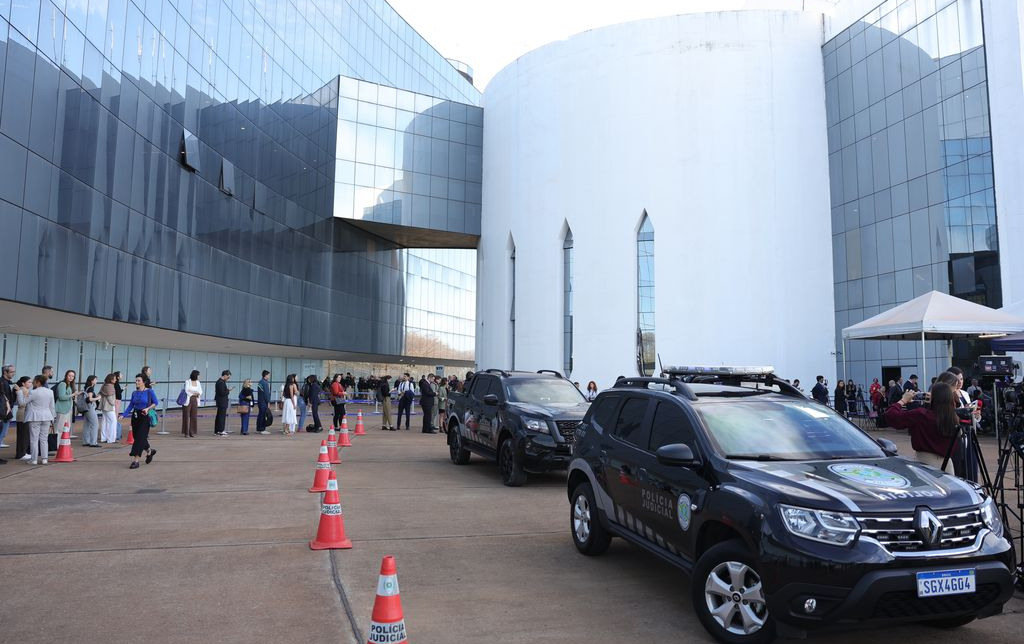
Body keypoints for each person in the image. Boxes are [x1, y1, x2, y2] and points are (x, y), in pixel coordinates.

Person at [885, 382, 966, 473]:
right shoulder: (954, 418)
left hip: (925, 462)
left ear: (934, 398)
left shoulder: (921, 415)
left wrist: (903, 400)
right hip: (947, 464)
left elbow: (891, 416)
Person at [121, 375, 158, 469]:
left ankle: (135, 460)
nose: (136, 382)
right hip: (135, 416)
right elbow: (131, 405)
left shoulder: (149, 391)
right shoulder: (134, 393)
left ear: (144, 382)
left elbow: (155, 403)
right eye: (136, 380)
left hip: (145, 416)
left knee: (139, 439)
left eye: (138, 380)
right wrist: (123, 414)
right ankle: (149, 451)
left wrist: (147, 408)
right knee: (138, 437)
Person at [20, 375, 55, 465]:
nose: (33, 382)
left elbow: (22, 402)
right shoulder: (50, 392)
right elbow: (52, 406)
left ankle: (34, 459)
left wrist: (19, 392)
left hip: (35, 417)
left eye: (34, 381)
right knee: (44, 439)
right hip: (47, 416)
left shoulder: (33, 392)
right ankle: (44, 459)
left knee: (34, 439)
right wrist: (53, 418)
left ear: (38, 382)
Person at [54, 370, 77, 437]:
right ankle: (57, 445)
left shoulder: (70, 385)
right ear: (66, 376)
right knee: (59, 428)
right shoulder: (63, 384)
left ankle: (63, 445)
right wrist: (73, 395)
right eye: (69, 375)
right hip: (62, 410)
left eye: (72, 376)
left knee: (66, 428)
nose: (71, 377)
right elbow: (61, 397)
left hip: (67, 409)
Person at [80, 375, 101, 447]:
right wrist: (98, 397)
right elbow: (89, 399)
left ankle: (86, 441)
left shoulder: (86, 388)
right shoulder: (91, 388)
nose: (96, 381)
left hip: (85, 408)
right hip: (90, 408)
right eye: (95, 379)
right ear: (92, 381)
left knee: (87, 424)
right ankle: (93, 442)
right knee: (95, 424)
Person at [13, 376, 31, 460]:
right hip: (23, 413)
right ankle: (22, 453)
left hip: (21, 414)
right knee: (23, 434)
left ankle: (22, 452)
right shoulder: (23, 390)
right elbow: (22, 403)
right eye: (29, 382)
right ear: (23, 383)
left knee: (22, 434)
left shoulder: (22, 389)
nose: (30, 384)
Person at [181, 370, 202, 438]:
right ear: (195, 375)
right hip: (188, 400)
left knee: (194, 416)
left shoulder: (198, 382)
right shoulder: (187, 381)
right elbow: (187, 390)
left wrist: (196, 393)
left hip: (195, 399)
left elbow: (200, 391)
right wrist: (194, 393)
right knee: (186, 416)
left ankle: (192, 432)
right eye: (198, 375)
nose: (199, 376)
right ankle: (186, 433)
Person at [99, 374, 118, 444]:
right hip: (109, 406)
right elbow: (110, 398)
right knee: (113, 422)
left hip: (104, 406)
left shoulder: (104, 385)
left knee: (105, 422)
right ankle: (111, 439)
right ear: (111, 379)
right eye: (115, 378)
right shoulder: (110, 386)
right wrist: (114, 403)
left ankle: (104, 438)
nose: (116, 380)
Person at [0, 364, 15, 454]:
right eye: (12, 372)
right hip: (4, 410)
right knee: (3, 429)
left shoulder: (6, 382)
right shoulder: (2, 382)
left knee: (4, 429)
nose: (13, 374)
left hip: (6, 408)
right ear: (5, 372)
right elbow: (3, 397)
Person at [214, 370, 232, 436]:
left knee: (219, 416)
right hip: (222, 402)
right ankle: (221, 430)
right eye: (228, 377)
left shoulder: (219, 382)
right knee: (221, 416)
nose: (228, 379)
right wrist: (228, 391)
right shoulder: (221, 382)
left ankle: (217, 430)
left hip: (220, 401)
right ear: (225, 375)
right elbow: (222, 393)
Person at [256, 370, 271, 435]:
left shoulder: (260, 382)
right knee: (263, 415)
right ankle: (262, 429)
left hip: (260, 401)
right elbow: (266, 394)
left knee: (260, 415)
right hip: (264, 402)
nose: (269, 376)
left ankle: (259, 428)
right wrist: (268, 401)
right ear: (266, 375)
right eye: (269, 375)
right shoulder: (265, 383)